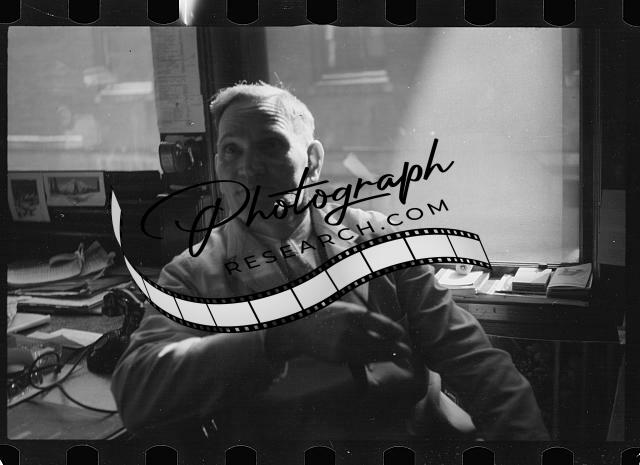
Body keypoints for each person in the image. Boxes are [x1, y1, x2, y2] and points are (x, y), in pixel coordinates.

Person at [111, 82, 549, 441]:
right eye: (231, 150)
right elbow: (136, 391)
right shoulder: (192, 275)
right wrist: (281, 338)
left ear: (313, 161)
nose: (248, 168)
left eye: (270, 145)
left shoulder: (382, 241)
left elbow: (477, 364)